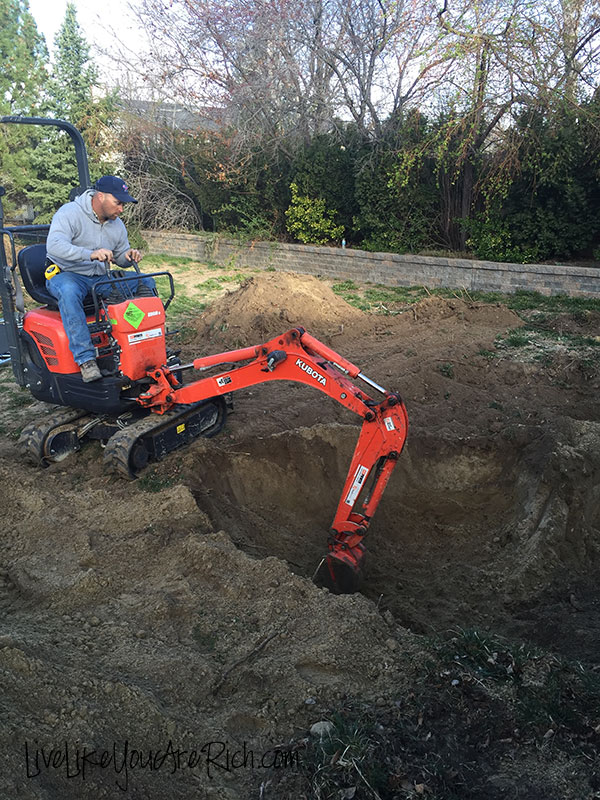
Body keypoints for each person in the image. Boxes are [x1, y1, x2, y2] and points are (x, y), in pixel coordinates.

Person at [46, 175, 156, 382]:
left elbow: (121, 255)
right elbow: (54, 246)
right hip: (68, 274)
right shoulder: (69, 213)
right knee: (68, 293)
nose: (121, 209)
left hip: (100, 277)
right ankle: (86, 360)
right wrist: (90, 253)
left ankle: (143, 344)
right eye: (118, 203)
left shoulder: (117, 224)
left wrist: (128, 255)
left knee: (147, 282)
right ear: (100, 196)